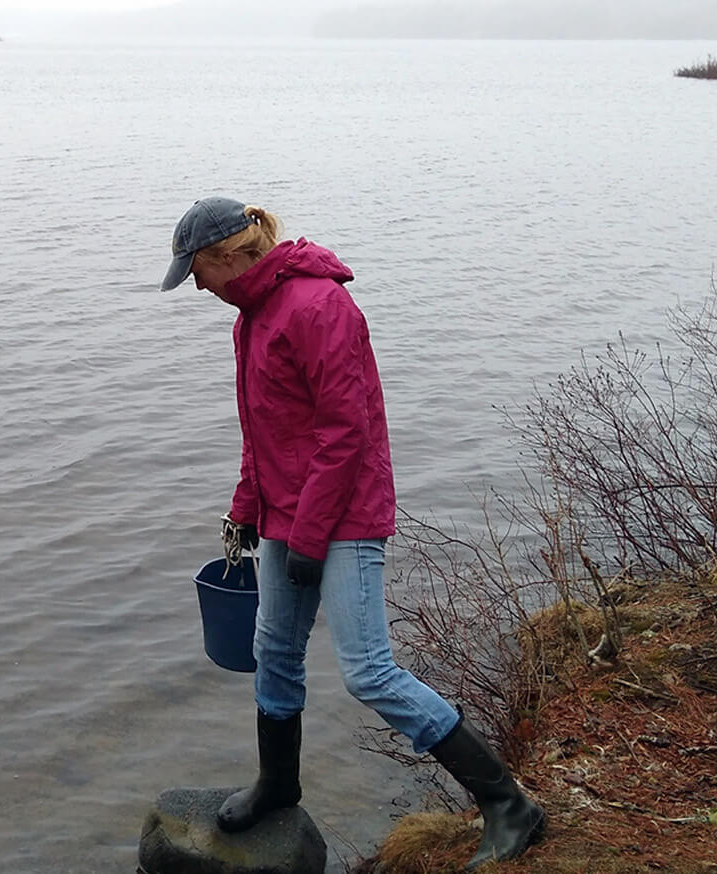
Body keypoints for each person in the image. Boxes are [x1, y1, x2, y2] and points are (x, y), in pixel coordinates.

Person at [159, 196, 545, 869]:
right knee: (273, 649)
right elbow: (264, 432)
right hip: (287, 515)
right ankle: (279, 783)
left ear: (225, 257)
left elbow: (346, 433)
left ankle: (509, 804)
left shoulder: (318, 306)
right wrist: (246, 508)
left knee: (368, 670)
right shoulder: (251, 321)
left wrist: (309, 538)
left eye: (196, 271)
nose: (196, 286)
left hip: (344, 514)